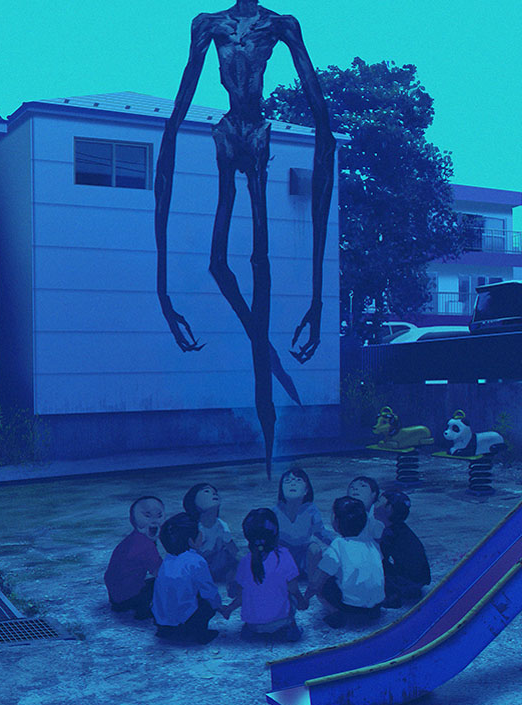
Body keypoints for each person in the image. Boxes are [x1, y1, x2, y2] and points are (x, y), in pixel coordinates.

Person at [154, 0, 336, 478]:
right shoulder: (206, 24)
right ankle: (267, 358)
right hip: (230, 129)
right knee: (224, 260)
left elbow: (326, 133)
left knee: (259, 259)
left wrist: (318, 300)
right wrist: (162, 290)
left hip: (254, 131)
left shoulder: (281, 25)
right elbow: (173, 123)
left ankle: (270, 442)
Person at [221, 508, 308, 642]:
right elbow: (293, 589)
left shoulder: (245, 561)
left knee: (251, 593)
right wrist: (302, 602)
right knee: (290, 597)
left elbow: (242, 595)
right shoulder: (284, 555)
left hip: (254, 625)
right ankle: (290, 627)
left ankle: (251, 631)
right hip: (280, 622)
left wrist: (230, 609)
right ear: (275, 533)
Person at [304, 496, 384, 629]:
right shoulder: (371, 543)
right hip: (376, 605)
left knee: (323, 581)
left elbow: (317, 581)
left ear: (336, 522)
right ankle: (369, 610)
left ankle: (336, 612)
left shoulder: (338, 545)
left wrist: (305, 598)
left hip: (351, 608)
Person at [152, 513, 224, 644]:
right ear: (191, 541)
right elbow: (209, 591)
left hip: (162, 621)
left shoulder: (167, 560)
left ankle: (166, 631)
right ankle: (200, 635)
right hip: (183, 623)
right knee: (207, 604)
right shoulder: (196, 561)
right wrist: (219, 606)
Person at [104, 496, 165, 620]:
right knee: (165, 582)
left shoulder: (132, 539)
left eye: (159, 516)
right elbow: (161, 573)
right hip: (127, 597)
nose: (154, 521)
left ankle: (122, 605)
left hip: (115, 597)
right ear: (133, 519)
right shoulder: (145, 545)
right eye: (147, 516)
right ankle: (142, 611)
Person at [273, 468, 334, 579]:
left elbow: (320, 532)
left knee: (315, 548)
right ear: (281, 490)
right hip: (282, 555)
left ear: (306, 490)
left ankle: (312, 583)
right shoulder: (275, 511)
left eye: (298, 481)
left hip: (303, 556)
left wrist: (338, 545)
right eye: (287, 481)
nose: (292, 484)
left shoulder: (311, 509)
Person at [375, 491, 431, 609]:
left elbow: (380, 558)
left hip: (409, 583)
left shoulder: (390, 533)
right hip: (420, 579)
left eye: (379, 501)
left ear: (389, 509)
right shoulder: (402, 530)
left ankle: (392, 596)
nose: (375, 504)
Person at [182, 483, 239, 585]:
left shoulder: (220, 524)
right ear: (193, 501)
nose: (213, 494)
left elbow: (233, 549)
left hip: (217, 566)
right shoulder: (195, 528)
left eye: (215, 492)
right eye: (207, 491)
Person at [347, 476, 385, 544]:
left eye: (363, 486)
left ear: (374, 494)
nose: (355, 489)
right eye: (351, 487)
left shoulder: (380, 519)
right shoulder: (344, 517)